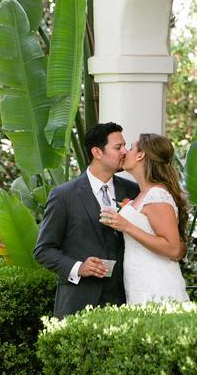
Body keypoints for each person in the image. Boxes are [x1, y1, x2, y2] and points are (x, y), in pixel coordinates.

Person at [33, 122, 139, 318]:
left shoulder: (133, 191)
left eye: (124, 146)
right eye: (118, 147)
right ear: (97, 153)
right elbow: (43, 250)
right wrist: (79, 267)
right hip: (78, 302)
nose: (125, 151)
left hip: (126, 300)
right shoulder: (64, 195)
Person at [100, 132, 189, 304]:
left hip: (157, 283)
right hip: (138, 281)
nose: (125, 151)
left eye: (131, 148)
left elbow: (173, 248)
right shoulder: (141, 194)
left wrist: (127, 226)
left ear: (141, 155)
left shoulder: (156, 195)